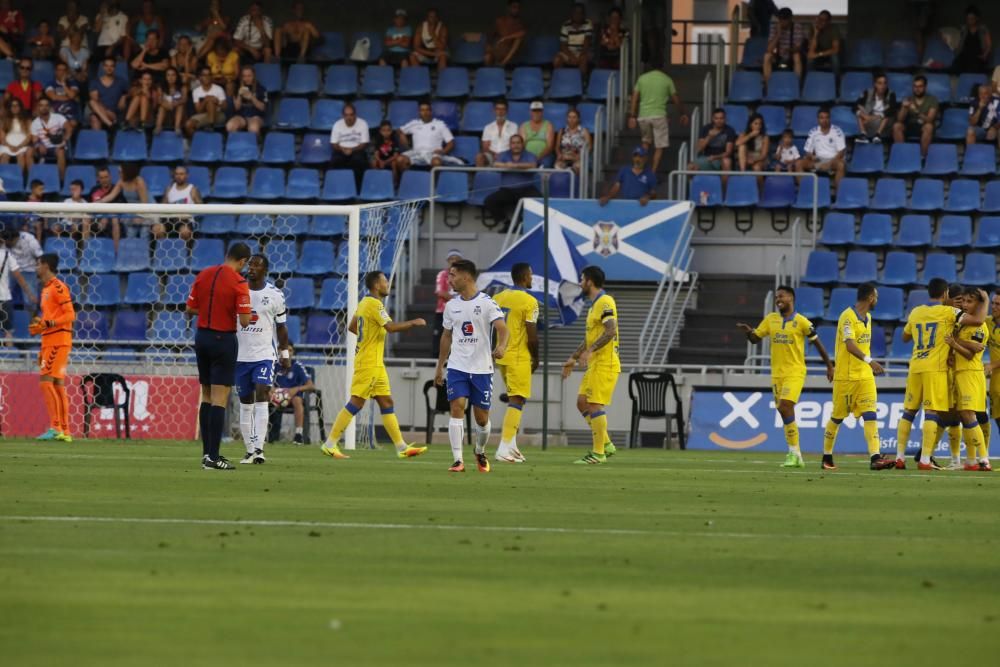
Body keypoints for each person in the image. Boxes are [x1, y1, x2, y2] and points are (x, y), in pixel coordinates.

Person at [321, 270, 428, 460]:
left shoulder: (364, 303)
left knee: (386, 402)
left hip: (375, 363)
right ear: (377, 285)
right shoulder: (375, 304)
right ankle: (330, 443)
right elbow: (391, 327)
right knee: (357, 402)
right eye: (385, 281)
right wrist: (414, 322)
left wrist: (369, 336)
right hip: (368, 362)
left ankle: (401, 447)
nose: (388, 284)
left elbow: (353, 326)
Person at [894, 278, 987, 470]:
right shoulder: (949, 312)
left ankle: (899, 457)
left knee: (909, 412)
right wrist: (984, 300)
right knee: (932, 413)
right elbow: (978, 320)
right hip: (935, 369)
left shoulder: (916, 311)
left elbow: (904, 337)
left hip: (915, 366)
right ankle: (926, 460)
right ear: (945, 294)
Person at [737, 285, 834, 469]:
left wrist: (829, 366)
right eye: (776, 297)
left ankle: (793, 453)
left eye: (781, 296)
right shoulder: (771, 320)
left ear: (791, 298)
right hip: (777, 375)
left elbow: (818, 343)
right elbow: (755, 339)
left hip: (795, 372)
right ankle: (796, 454)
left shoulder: (802, 322)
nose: (778, 299)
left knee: (785, 406)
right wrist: (748, 332)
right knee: (784, 412)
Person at [434, 259, 508, 473]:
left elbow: (503, 329)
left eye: (453, 275)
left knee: (481, 417)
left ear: (466, 277)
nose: (450, 280)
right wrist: (440, 366)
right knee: (456, 407)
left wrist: (502, 346)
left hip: (482, 368)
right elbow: (446, 336)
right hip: (457, 366)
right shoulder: (451, 306)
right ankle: (457, 460)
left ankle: (480, 449)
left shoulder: (487, 303)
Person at [186, 242, 252, 470]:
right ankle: (213, 457)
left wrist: (211, 309)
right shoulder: (239, 282)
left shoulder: (203, 275)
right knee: (220, 397)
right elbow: (244, 320)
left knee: (206, 394)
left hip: (202, 337)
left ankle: (206, 454)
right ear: (242, 262)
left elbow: (190, 308)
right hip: (223, 340)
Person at [817, 283, 898, 470]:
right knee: (837, 417)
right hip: (846, 377)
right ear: (871, 297)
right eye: (876, 296)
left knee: (870, 415)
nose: (876, 300)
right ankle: (827, 457)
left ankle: (875, 458)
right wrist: (870, 361)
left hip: (864, 377)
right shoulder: (847, 316)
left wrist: (868, 366)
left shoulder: (868, 318)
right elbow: (850, 345)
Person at [560, 265, 619, 465]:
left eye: (582, 279)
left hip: (605, 363)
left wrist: (591, 350)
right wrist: (574, 358)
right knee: (582, 402)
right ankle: (607, 444)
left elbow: (611, 331)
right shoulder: (594, 305)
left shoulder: (605, 301)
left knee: (593, 404)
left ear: (590, 282)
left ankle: (598, 453)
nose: (580, 283)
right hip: (595, 363)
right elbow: (589, 339)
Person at [234, 255, 289, 465]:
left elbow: (282, 327)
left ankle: (260, 448)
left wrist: (284, 354)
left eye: (257, 265)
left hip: (265, 355)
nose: (252, 268)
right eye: (250, 264)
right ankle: (249, 450)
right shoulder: (238, 291)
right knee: (246, 402)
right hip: (241, 356)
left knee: (262, 393)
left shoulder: (275, 294)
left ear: (265, 269)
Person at [492, 263, 538, 463]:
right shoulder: (530, 301)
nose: (532, 278)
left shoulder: (498, 298)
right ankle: (503, 447)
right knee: (517, 400)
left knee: (516, 398)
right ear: (525, 276)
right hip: (519, 356)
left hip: (501, 356)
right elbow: (532, 336)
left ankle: (512, 446)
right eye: (531, 275)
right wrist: (536, 358)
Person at [29, 253, 75, 442]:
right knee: (57, 385)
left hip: (58, 341)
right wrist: (40, 325)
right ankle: (65, 431)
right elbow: (50, 318)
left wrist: (48, 324)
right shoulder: (45, 289)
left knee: (46, 382)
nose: (36, 268)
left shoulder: (58, 287)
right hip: (49, 340)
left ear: (46, 266)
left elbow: (70, 315)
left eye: (38, 264)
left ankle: (55, 427)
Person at [945, 287, 991, 471]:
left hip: (970, 373)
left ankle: (984, 459)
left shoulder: (979, 326)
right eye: (963, 301)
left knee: (969, 415)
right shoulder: (964, 324)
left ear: (979, 304)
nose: (964, 305)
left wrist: (956, 343)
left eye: (969, 301)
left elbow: (971, 355)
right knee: (964, 416)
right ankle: (971, 460)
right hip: (960, 372)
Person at [628, 56, 688, 174]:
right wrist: (682, 113)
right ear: (663, 66)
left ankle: (640, 170)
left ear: (649, 66)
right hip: (659, 116)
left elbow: (634, 97)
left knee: (645, 143)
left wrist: (632, 115)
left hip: (643, 116)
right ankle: (652, 172)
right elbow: (676, 98)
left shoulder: (642, 78)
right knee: (659, 146)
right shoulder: (666, 79)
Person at [483, 134, 538, 229]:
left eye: (518, 143)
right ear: (510, 145)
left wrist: (515, 166)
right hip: (507, 190)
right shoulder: (504, 154)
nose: (516, 145)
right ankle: (506, 223)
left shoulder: (529, 154)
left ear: (522, 144)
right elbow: (496, 164)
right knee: (489, 201)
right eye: (513, 143)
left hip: (526, 189)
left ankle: (522, 223)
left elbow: (533, 165)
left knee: (540, 200)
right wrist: (506, 165)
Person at [269, 343, 315, 444]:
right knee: (264, 395)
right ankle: (263, 434)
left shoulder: (298, 366)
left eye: (290, 350)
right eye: (284, 350)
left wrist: (296, 389)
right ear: (279, 352)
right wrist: (271, 388)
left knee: (297, 400)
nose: (287, 353)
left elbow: (311, 385)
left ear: (293, 352)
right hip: (276, 397)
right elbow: (266, 381)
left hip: (293, 398)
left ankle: (299, 434)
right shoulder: (274, 365)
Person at [396, 100, 459, 173]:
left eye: (427, 110)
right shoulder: (414, 123)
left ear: (431, 111)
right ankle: (408, 181)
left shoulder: (440, 124)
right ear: (419, 112)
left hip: (433, 154)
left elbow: (451, 143)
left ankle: (436, 183)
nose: (425, 113)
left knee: (437, 162)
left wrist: (443, 151)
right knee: (399, 160)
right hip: (417, 153)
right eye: (422, 110)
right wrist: (402, 136)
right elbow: (399, 131)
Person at [0, 226, 37, 343]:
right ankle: (9, 358)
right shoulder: (7, 256)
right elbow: (19, 278)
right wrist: (30, 294)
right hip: (4, 298)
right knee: (8, 331)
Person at [796, 107, 846, 187]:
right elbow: (808, 152)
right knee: (798, 163)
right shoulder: (813, 131)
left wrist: (829, 163)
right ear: (818, 119)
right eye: (821, 118)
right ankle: (804, 191)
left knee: (841, 165)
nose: (824, 120)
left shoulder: (837, 131)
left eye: (827, 117)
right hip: (818, 160)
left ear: (830, 119)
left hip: (833, 160)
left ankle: (839, 196)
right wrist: (812, 157)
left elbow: (841, 152)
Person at [99, 163, 148, 242]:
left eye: (120, 172)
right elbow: (111, 196)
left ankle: (146, 254)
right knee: (130, 235)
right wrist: (98, 202)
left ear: (128, 172)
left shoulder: (139, 181)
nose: (118, 174)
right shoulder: (121, 181)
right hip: (132, 212)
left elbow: (144, 203)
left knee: (144, 234)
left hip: (146, 211)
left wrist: (140, 216)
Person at [893, 75, 939, 157]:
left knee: (929, 126)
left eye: (920, 86)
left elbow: (930, 120)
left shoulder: (932, 100)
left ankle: (922, 157)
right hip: (910, 125)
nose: (917, 89)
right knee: (897, 126)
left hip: (923, 126)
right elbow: (899, 120)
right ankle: (902, 156)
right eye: (915, 86)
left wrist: (916, 111)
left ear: (925, 87)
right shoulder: (908, 99)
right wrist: (904, 108)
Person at [329, 102, 370, 189]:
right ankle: (338, 188)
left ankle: (357, 189)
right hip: (341, 150)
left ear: (355, 115)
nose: (349, 117)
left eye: (351, 115)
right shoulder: (337, 125)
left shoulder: (363, 124)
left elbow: (364, 143)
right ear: (343, 115)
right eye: (346, 115)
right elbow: (334, 143)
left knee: (358, 161)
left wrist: (352, 150)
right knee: (335, 161)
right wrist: (343, 149)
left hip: (357, 150)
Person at [155, 165, 201, 241]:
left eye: (181, 174)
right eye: (176, 174)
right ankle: (161, 251)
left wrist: (189, 215)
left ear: (187, 175)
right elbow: (162, 207)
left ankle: (187, 252)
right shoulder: (169, 189)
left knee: (185, 232)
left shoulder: (193, 190)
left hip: (185, 220)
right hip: (170, 219)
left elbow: (201, 208)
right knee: (157, 230)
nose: (178, 176)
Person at [31, 98, 71, 181]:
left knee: (60, 151)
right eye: (41, 105)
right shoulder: (34, 123)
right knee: (29, 150)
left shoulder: (58, 117)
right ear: (38, 108)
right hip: (44, 148)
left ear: (49, 107)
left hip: (58, 146)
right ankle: (33, 180)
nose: (44, 107)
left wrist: (65, 140)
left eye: (46, 105)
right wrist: (38, 145)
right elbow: (34, 140)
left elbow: (69, 128)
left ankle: (61, 180)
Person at [432, 249, 463, 357]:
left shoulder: (464, 276)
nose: (453, 261)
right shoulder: (442, 274)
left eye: (456, 259)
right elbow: (440, 292)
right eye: (451, 259)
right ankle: (436, 361)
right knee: (439, 336)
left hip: (459, 312)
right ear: (447, 261)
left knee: (458, 337)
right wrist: (458, 300)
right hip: (443, 311)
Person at [762, 7, 804, 84]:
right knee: (767, 56)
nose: (782, 22)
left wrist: (788, 50)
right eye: (780, 19)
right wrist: (778, 34)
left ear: (790, 19)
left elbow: (798, 48)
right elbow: (769, 49)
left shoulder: (797, 27)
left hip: (791, 55)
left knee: (796, 56)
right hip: (778, 56)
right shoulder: (774, 27)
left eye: (785, 19)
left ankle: (796, 85)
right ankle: (767, 86)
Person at [687, 107, 736, 173]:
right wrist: (709, 137)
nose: (719, 121)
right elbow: (699, 149)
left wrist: (715, 157)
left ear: (725, 119)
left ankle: (724, 184)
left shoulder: (730, 130)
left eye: (721, 118)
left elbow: (728, 152)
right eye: (716, 118)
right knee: (690, 167)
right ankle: (694, 183)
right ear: (712, 119)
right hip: (707, 158)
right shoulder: (706, 128)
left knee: (726, 162)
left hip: (721, 159)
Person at [854, 72, 897, 143]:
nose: (882, 86)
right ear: (875, 84)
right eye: (880, 83)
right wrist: (865, 116)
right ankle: (863, 134)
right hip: (870, 121)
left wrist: (874, 117)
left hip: (885, 124)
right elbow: (855, 106)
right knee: (859, 111)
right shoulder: (868, 92)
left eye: (885, 83)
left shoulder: (891, 94)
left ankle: (878, 135)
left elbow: (892, 109)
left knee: (887, 114)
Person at [88, 57, 128, 130]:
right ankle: (110, 125)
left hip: (114, 113)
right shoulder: (95, 82)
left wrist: (123, 97)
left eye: (111, 66)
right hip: (100, 111)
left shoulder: (121, 82)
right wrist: (106, 111)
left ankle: (111, 125)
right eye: (106, 66)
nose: (109, 68)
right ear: (103, 67)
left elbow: (124, 101)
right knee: (93, 113)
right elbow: (95, 101)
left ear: (115, 67)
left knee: (94, 113)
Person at [185, 67, 227, 137]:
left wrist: (217, 102)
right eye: (204, 75)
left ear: (211, 77)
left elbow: (225, 107)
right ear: (200, 77)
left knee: (210, 102)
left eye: (209, 75)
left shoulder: (218, 89)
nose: (207, 77)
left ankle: (211, 126)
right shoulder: (196, 91)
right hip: (203, 115)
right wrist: (205, 100)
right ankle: (199, 142)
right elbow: (198, 110)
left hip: (218, 114)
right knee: (188, 125)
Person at [226, 66, 268, 136]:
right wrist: (239, 95)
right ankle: (237, 144)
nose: (247, 78)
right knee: (230, 126)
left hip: (256, 116)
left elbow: (263, 108)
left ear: (254, 76)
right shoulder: (238, 88)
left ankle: (257, 144)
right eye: (244, 76)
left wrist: (252, 97)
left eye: (249, 76)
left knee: (253, 128)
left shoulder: (261, 89)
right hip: (241, 116)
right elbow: (237, 108)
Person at [476, 99, 518, 167]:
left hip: (508, 156)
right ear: (494, 111)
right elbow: (485, 147)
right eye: (498, 109)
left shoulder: (514, 126)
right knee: (479, 157)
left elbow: (514, 145)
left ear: (506, 111)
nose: (500, 112)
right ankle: (481, 177)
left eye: (503, 109)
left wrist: (503, 155)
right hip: (491, 156)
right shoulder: (488, 127)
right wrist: (494, 154)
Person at [553, 2, 593, 72]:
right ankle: (561, 80)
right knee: (557, 60)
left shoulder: (588, 24)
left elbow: (587, 43)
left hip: (583, 52)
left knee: (583, 59)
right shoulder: (565, 25)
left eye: (580, 13)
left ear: (583, 15)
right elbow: (563, 46)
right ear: (572, 14)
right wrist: (572, 56)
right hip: (569, 53)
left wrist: (579, 56)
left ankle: (581, 82)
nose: (578, 15)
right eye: (576, 13)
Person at [485, 0, 525, 67]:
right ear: (508, 8)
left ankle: (502, 64)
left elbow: (522, 33)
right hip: (498, 51)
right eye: (514, 7)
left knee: (518, 40)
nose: (516, 10)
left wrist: (506, 38)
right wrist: (488, 49)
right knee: (487, 57)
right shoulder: (500, 21)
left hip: (510, 54)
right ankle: (490, 73)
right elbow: (490, 37)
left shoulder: (519, 23)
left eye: (518, 8)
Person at [86, 165, 120, 245]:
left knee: (114, 219)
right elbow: (89, 207)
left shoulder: (116, 189)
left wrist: (106, 216)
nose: (104, 180)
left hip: (113, 218)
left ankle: (116, 251)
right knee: (85, 218)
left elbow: (120, 207)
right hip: (96, 217)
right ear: (98, 179)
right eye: (101, 178)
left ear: (110, 177)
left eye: (106, 177)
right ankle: (86, 249)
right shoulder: (94, 190)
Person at [953, 5, 991, 75]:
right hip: (965, 55)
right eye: (968, 18)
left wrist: (985, 55)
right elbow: (959, 44)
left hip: (978, 56)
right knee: (957, 66)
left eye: (972, 18)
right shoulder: (964, 29)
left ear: (977, 18)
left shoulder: (983, 29)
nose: (970, 21)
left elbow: (988, 45)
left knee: (976, 68)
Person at [0, 97, 33, 174]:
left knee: (21, 156)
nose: (14, 107)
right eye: (12, 106)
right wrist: (9, 146)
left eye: (17, 105)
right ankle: (3, 179)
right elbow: (2, 137)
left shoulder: (27, 120)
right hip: (7, 145)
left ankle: (20, 179)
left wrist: (19, 146)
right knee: (4, 156)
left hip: (22, 145)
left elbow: (29, 137)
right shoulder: (4, 120)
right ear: (10, 108)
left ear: (20, 107)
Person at [554, 107, 592, 174]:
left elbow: (589, 147)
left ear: (578, 119)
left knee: (577, 167)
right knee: (557, 166)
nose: (571, 119)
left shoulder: (584, 131)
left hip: (578, 158)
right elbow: (557, 147)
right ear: (567, 118)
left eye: (574, 117)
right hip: (564, 157)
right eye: (569, 117)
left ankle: (575, 182)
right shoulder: (562, 131)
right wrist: (559, 155)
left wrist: (580, 156)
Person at [519, 100, 555, 165]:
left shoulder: (548, 125)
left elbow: (550, 146)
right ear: (530, 112)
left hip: (545, 156)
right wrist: (529, 157)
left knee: (546, 163)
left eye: (539, 111)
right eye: (534, 111)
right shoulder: (524, 126)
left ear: (542, 112)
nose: (536, 113)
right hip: (528, 156)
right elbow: (522, 145)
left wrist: (538, 157)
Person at [806, 9, 841, 76]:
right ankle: (810, 81)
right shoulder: (813, 27)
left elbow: (835, 49)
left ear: (828, 22)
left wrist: (819, 54)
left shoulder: (834, 28)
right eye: (819, 19)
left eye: (823, 20)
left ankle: (836, 83)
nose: (820, 22)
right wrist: (816, 33)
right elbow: (810, 51)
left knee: (835, 58)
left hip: (829, 54)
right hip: (817, 54)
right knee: (810, 60)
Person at [154, 66, 185, 135]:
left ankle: (177, 127)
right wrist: (167, 105)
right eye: (168, 75)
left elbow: (184, 99)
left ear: (177, 76)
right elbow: (159, 100)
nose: (170, 78)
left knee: (180, 106)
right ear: (165, 77)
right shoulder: (161, 86)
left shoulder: (182, 86)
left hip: (179, 113)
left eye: (173, 75)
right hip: (166, 112)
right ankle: (158, 127)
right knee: (162, 107)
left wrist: (175, 104)